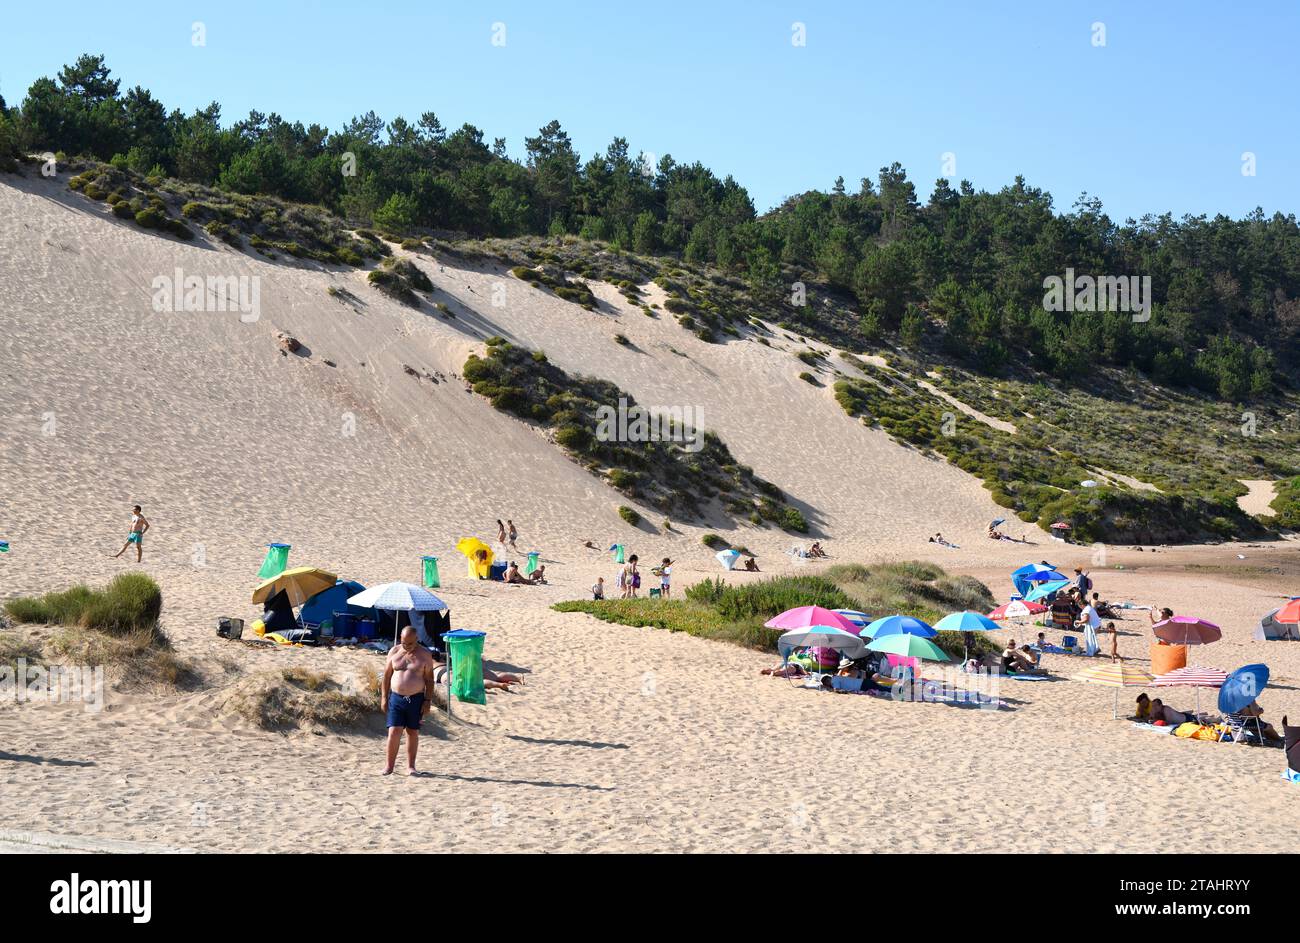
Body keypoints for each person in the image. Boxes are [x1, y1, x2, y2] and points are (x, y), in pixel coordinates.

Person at [381, 627, 435, 775]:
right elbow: (386, 677)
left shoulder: (424, 655)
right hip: (396, 698)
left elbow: (430, 680)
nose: (407, 647)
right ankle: (389, 766)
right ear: (400, 638)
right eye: (404, 643)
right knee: (393, 731)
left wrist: (427, 701)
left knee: (412, 732)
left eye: (410, 644)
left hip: (416, 698)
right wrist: (384, 697)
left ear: (417, 639)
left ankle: (411, 766)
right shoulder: (394, 652)